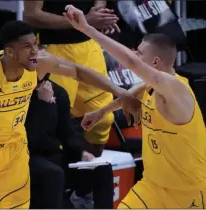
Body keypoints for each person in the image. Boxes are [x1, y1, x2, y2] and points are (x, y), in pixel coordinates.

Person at [0, 20, 131, 208]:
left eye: (35, 44)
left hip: (15, 145)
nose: (35, 51)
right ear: (10, 52)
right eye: (27, 47)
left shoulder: (39, 64)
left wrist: (119, 91)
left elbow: (78, 71)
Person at [65, 5, 206, 208]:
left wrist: (87, 29)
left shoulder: (176, 88)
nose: (135, 55)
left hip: (186, 192)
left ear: (155, 62)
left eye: (140, 53)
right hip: (151, 186)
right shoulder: (150, 86)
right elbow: (132, 93)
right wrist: (102, 112)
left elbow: (131, 62)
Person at [24, 0, 120, 158]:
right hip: (54, 48)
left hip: (89, 46)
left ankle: (91, 168)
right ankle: (63, 175)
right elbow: (32, 15)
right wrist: (83, 21)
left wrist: (99, 11)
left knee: (103, 119)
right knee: (56, 120)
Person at [25, 78, 95, 209]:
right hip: (26, 154)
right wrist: (43, 105)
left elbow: (66, 131)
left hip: (53, 155)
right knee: (53, 172)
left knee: (101, 168)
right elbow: (31, 137)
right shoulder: (18, 93)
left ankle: (83, 200)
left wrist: (81, 152)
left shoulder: (58, 92)